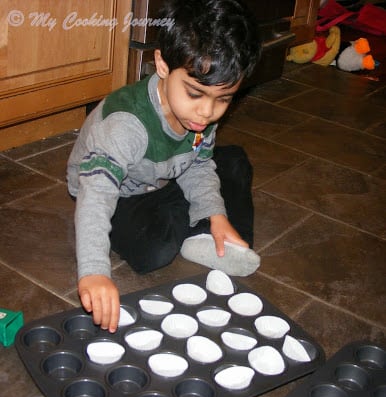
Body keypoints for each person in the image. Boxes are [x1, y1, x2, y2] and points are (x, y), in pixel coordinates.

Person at [67, 0, 261, 333]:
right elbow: (97, 196)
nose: (208, 112)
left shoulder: (201, 114)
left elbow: (199, 162)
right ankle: (191, 226)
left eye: (225, 99)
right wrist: (95, 272)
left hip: (163, 176)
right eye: (195, 93)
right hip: (118, 191)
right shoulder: (125, 125)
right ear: (161, 64)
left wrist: (214, 212)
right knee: (153, 252)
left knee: (234, 163)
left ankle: (204, 229)